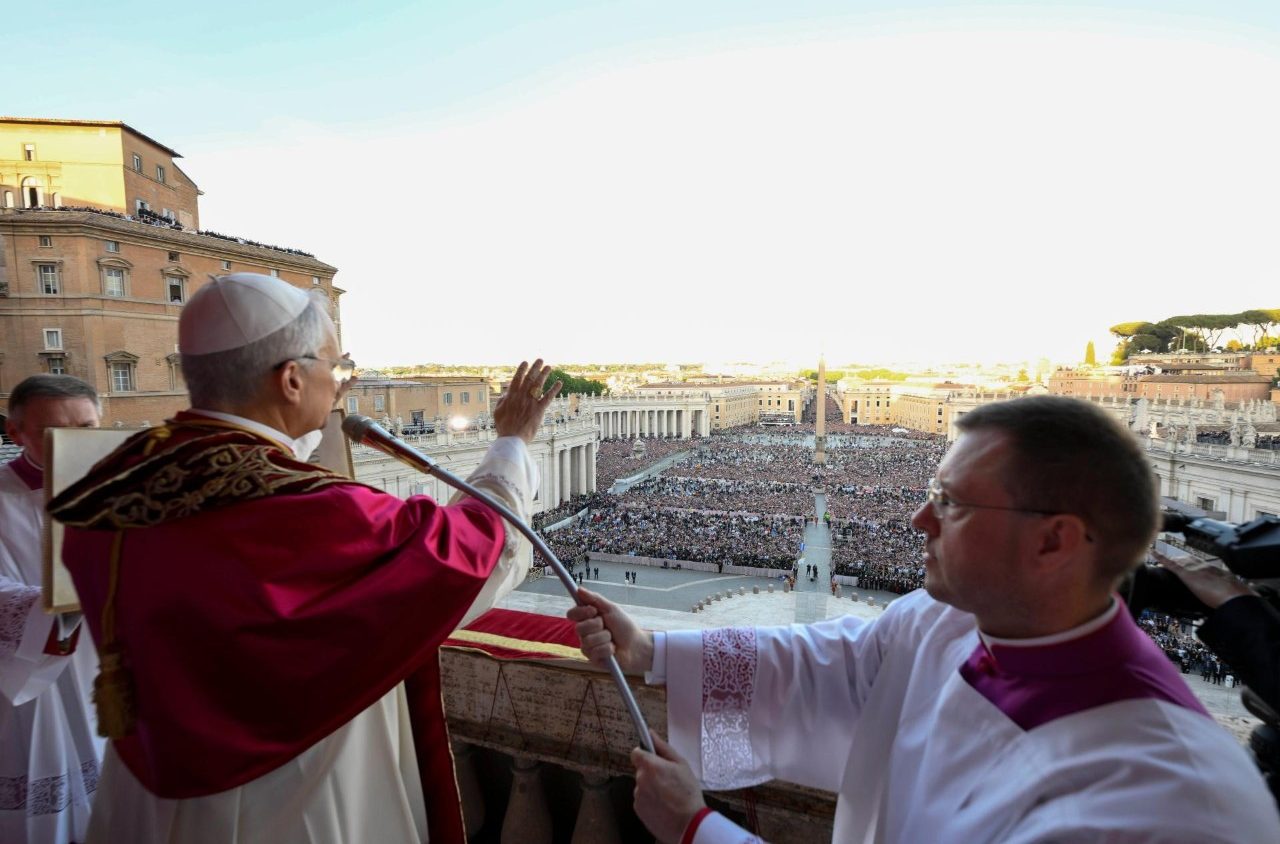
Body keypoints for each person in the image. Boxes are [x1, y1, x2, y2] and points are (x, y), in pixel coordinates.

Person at [571, 396, 1280, 843]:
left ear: (1053, 541)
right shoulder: (953, 621)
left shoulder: (1173, 801)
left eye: (952, 503)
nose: (918, 520)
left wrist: (697, 828)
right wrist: (653, 650)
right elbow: (833, 664)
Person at [48, 273, 561, 844]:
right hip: (288, 790)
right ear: (291, 379)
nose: (339, 386)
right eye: (335, 369)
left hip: (147, 788)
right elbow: (477, 550)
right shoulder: (310, 512)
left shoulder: (116, 483)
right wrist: (513, 441)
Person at [1, 375, 104, 843]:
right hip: (32, 669)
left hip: (107, 661)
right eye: (52, 431)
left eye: (86, 427)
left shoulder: (125, 490)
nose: (72, 442)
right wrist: (56, 607)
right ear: (16, 432)